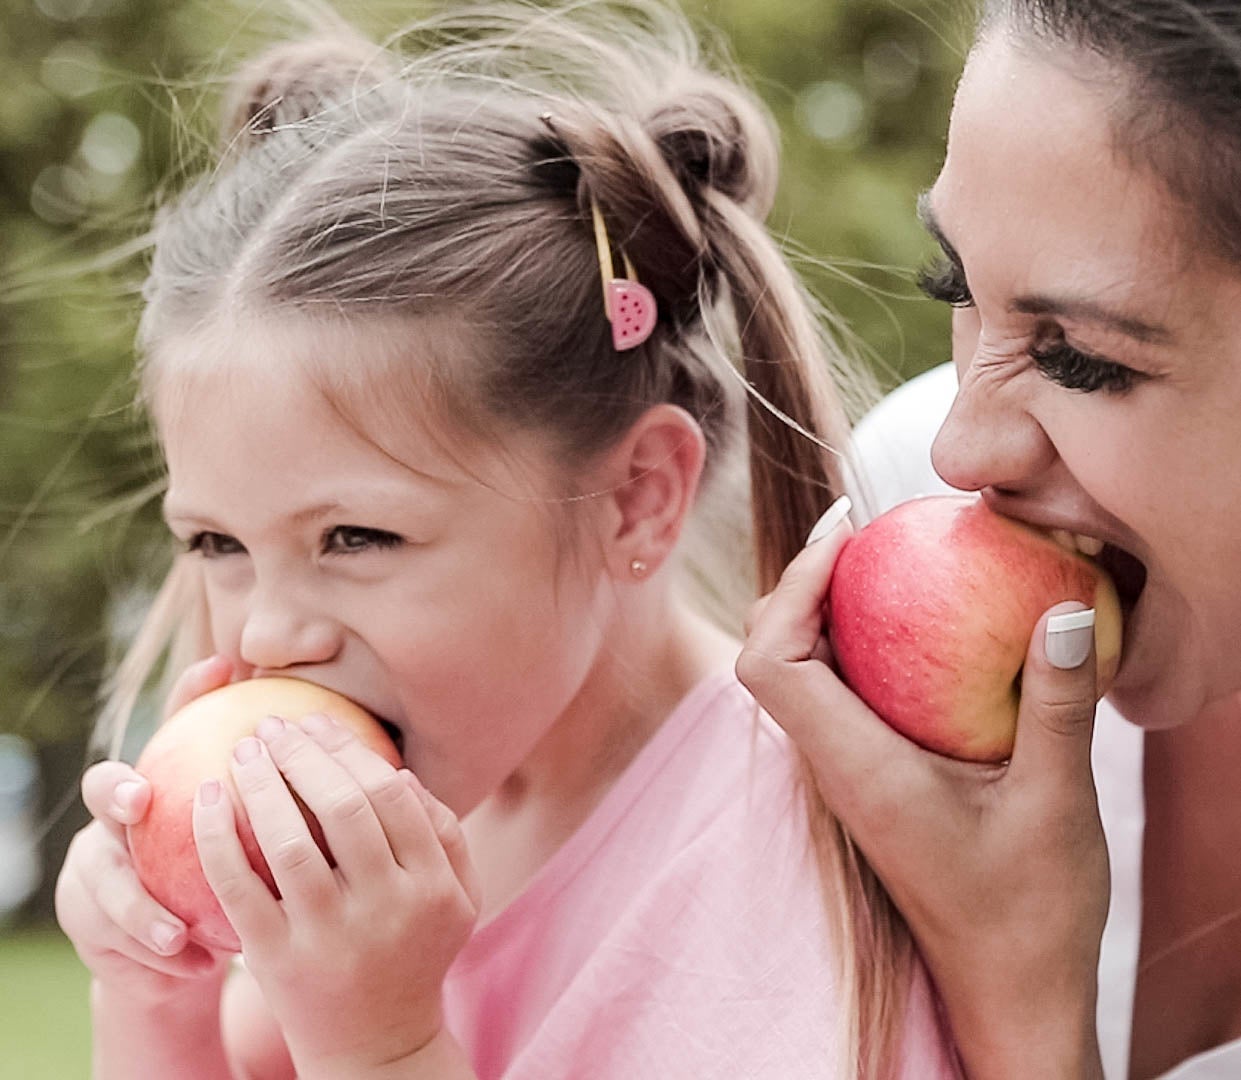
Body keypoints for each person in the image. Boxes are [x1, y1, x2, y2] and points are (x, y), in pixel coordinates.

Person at [51, 3, 962, 1078]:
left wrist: (383, 1045)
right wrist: (159, 998)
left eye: (354, 535)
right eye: (215, 542)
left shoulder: (785, 875)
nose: (267, 633)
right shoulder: (428, 808)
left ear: (635, 497)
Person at [738, 2, 1241, 1078]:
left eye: (1083, 361)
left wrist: (1017, 1005)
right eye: (956, 289)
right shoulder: (903, 471)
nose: (962, 450)